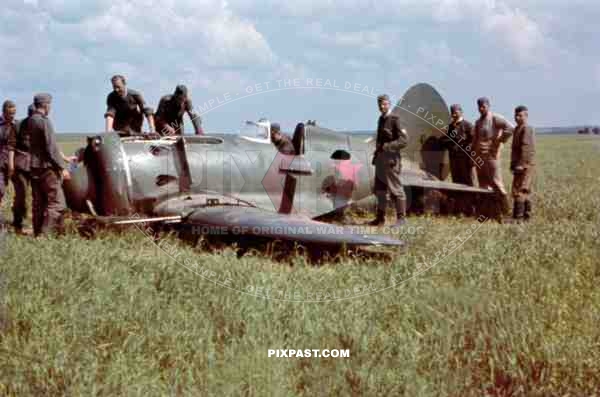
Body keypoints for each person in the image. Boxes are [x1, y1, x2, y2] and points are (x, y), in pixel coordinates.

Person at [22, 93, 70, 236]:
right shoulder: (44, 121)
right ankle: (44, 235)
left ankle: (37, 232)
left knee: (39, 203)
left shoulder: (30, 120)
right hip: (46, 168)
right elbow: (51, 148)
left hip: (33, 167)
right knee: (57, 203)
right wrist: (62, 168)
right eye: (50, 105)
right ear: (46, 105)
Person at [369, 94, 408, 226]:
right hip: (380, 160)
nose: (382, 106)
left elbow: (403, 140)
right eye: (380, 104)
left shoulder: (395, 119)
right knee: (380, 191)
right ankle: (380, 219)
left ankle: (401, 219)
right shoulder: (381, 119)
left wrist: (388, 146)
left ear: (389, 104)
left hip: (391, 160)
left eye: (384, 104)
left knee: (396, 189)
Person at [472, 97, 513, 216]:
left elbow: (510, 128)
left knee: (497, 183)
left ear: (488, 106)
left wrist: (499, 141)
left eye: (483, 106)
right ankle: (489, 211)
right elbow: (475, 140)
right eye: (479, 107)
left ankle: (506, 211)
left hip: (491, 156)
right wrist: (473, 154)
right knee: (483, 184)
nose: (481, 109)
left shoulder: (495, 118)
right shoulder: (478, 122)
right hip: (480, 157)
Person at [6, 103, 33, 234]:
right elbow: (11, 147)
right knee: (21, 194)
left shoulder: (41, 126)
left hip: (35, 166)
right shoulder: (18, 126)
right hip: (20, 165)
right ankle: (18, 222)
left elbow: (50, 146)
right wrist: (11, 166)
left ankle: (32, 222)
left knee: (37, 196)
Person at [510, 105, 536, 221]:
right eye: (516, 115)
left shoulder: (527, 128)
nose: (517, 117)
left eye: (520, 115)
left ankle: (518, 218)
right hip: (518, 165)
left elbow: (526, 148)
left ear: (526, 116)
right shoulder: (517, 129)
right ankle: (526, 216)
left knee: (520, 190)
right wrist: (513, 164)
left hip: (524, 165)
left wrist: (521, 164)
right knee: (522, 189)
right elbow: (514, 149)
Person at [440, 104, 475, 186]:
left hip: (465, 158)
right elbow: (446, 140)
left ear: (461, 112)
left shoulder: (468, 125)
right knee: (456, 181)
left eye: (455, 112)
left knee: (468, 181)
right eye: (452, 112)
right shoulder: (450, 127)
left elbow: (473, 141)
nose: (453, 114)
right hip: (453, 158)